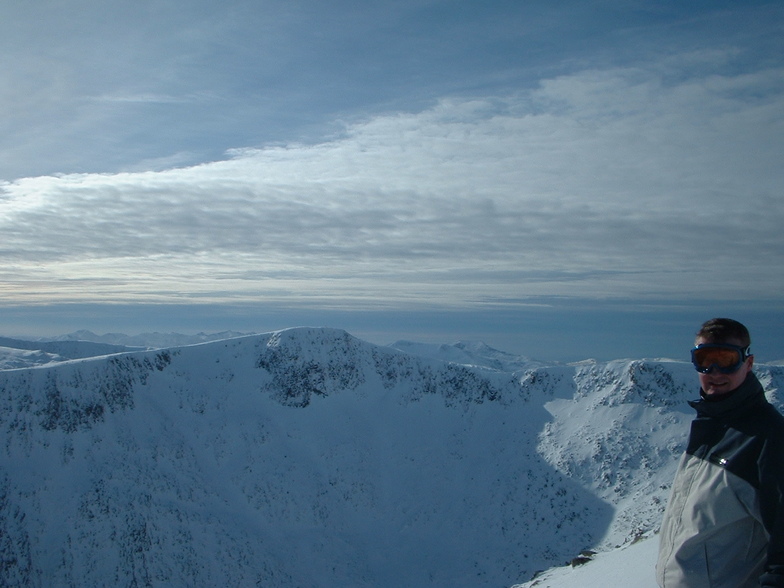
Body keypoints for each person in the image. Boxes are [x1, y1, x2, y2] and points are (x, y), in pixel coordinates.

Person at [656, 318, 784, 587]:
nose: (714, 371)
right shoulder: (710, 428)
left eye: (726, 359)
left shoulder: (767, 438)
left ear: (748, 363)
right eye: (704, 359)